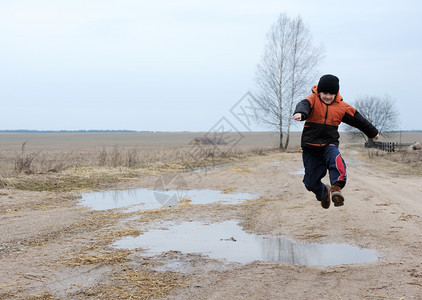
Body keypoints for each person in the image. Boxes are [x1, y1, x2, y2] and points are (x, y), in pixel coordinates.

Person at [293, 74, 379, 209]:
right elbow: (303, 105)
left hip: (329, 143)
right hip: (311, 147)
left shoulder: (341, 106)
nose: (327, 96)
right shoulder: (313, 100)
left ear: (336, 93)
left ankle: (336, 188)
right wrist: (300, 113)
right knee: (310, 182)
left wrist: (373, 132)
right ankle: (323, 193)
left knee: (336, 160)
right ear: (319, 92)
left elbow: (358, 119)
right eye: (324, 93)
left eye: (331, 94)